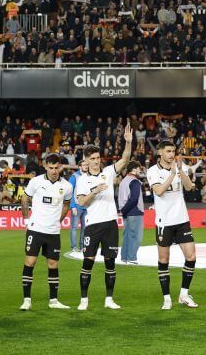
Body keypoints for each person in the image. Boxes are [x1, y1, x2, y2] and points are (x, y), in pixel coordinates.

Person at [74, 123, 134, 310]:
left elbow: (124, 160)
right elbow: (82, 202)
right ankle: (84, 300)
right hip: (93, 226)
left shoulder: (108, 172)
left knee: (110, 263)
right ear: (86, 160)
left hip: (110, 224)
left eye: (98, 157)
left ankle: (109, 299)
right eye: (92, 158)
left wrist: (128, 143)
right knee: (88, 262)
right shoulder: (82, 180)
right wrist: (96, 191)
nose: (96, 161)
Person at [147, 141, 199, 309]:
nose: (171, 154)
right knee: (164, 260)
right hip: (164, 222)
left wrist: (181, 171)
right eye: (168, 151)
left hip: (182, 219)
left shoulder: (179, 166)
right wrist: (172, 174)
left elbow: (190, 187)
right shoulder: (152, 171)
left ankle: (183, 294)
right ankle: (167, 298)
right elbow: (159, 191)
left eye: (173, 151)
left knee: (191, 257)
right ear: (160, 152)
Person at [19, 154, 73, 310]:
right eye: (51, 168)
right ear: (45, 166)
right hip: (35, 229)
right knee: (30, 262)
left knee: (53, 264)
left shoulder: (67, 186)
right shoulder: (36, 182)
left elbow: (66, 204)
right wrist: (25, 219)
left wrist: (59, 220)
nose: (54, 171)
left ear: (60, 167)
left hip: (53, 232)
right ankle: (27, 300)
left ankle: (53, 301)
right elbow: (24, 198)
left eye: (57, 168)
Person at [118, 163, 144, 264]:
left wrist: (122, 211)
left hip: (126, 212)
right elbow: (134, 199)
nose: (139, 170)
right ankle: (132, 258)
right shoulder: (135, 181)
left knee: (127, 236)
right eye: (138, 168)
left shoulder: (123, 181)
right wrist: (124, 210)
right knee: (136, 236)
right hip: (134, 211)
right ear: (133, 169)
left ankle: (124, 258)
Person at [68, 160, 88, 252]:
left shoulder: (89, 176)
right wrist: (72, 206)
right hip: (77, 205)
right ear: (80, 166)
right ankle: (73, 247)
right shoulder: (74, 176)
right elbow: (69, 192)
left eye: (87, 165)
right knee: (74, 227)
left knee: (85, 228)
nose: (86, 166)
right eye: (84, 165)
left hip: (86, 206)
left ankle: (82, 246)